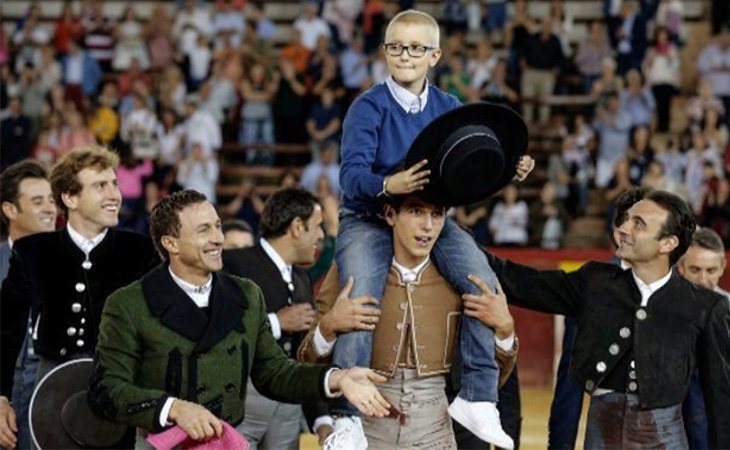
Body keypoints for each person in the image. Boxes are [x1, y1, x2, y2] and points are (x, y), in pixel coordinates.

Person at [335, 10, 533, 449]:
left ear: (435, 55)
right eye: (396, 46)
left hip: (430, 217)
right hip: (368, 217)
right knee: (361, 293)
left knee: (482, 283)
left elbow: (471, 169)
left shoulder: (449, 109)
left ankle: (478, 397)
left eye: (416, 48)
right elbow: (350, 179)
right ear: (385, 51)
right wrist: (390, 184)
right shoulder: (367, 107)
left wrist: (507, 169)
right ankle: (347, 416)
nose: (405, 55)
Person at [88, 190, 390, 448]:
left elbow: (274, 373)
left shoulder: (246, 294)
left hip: (228, 441)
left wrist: (336, 378)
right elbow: (106, 389)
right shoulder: (129, 303)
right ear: (171, 243)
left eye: (218, 226)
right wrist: (173, 408)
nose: (218, 238)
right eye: (203, 230)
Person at [488, 190, 730, 448]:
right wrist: (454, 238)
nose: (622, 229)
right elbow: (516, 280)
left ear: (667, 243)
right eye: (627, 220)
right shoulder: (595, 283)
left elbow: (719, 399)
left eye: (638, 224)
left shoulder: (706, 307)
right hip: (601, 435)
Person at [298, 193, 519, 449]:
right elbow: (306, 366)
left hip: (434, 428)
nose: (427, 225)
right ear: (390, 215)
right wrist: (328, 327)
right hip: (363, 427)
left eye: (437, 215)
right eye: (416, 212)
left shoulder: (460, 275)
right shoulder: (352, 268)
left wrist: (505, 332)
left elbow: (492, 376)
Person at [0, 146, 159, 448]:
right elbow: (6, 329)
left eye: (114, 184)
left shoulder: (140, 251)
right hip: (49, 390)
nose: (115, 195)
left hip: (120, 389)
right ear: (70, 198)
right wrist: (0, 397)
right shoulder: (33, 251)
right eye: (100, 186)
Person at [222, 188, 331, 449]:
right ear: (296, 227)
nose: (322, 235)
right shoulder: (232, 263)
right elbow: (209, 330)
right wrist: (274, 322)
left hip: (289, 409)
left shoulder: (302, 278)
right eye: (317, 226)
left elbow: (303, 358)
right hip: (239, 401)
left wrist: (321, 418)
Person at [0, 160, 57, 450]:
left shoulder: (72, 264)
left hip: (57, 410)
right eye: (38, 201)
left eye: (51, 200)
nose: (50, 208)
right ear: (10, 210)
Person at [677, 227, 729, 450]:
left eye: (711, 270)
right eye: (695, 269)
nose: (703, 279)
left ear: (723, 267)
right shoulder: (664, 309)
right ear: (680, 267)